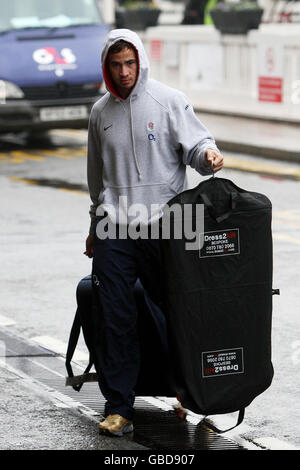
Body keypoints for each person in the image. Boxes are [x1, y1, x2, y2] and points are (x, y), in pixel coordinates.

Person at [84, 28, 223, 436]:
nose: (124, 72)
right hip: (115, 227)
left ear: (140, 61)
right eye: (116, 64)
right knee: (114, 315)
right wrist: (95, 222)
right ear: (107, 67)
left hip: (167, 224)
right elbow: (97, 176)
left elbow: (197, 146)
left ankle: (187, 392)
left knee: (179, 313)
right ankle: (119, 408)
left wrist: (209, 156)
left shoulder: (168, 101)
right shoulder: (99, 112)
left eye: (130, 63)